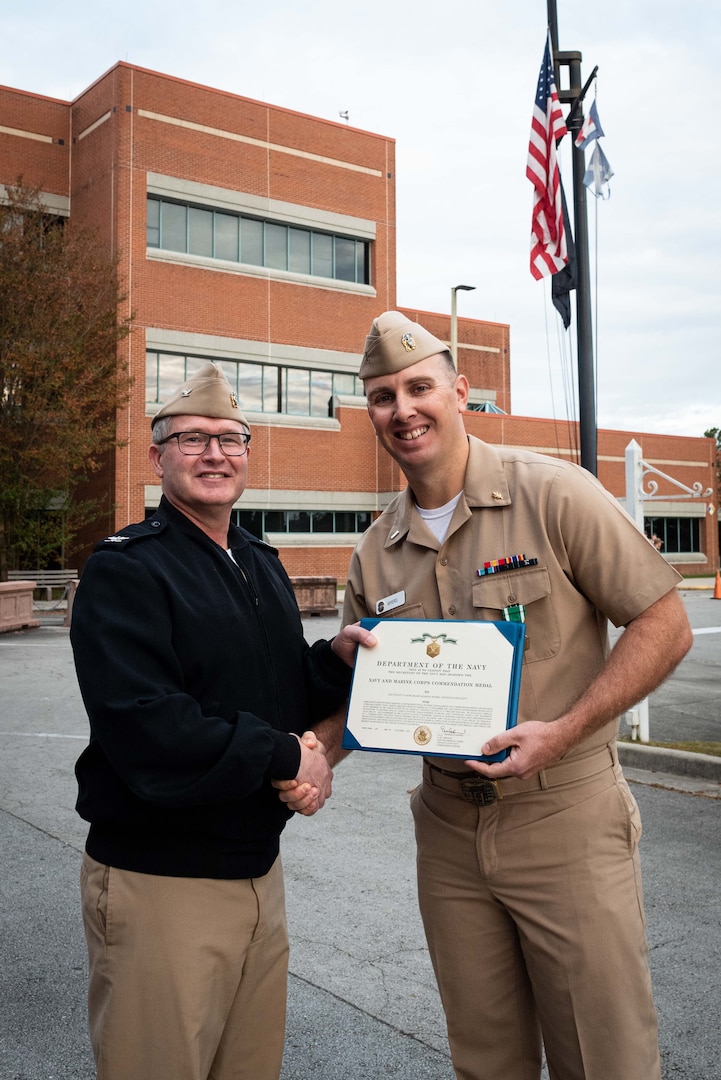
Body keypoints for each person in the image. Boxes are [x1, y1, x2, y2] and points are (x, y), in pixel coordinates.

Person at [333, 311, 693, 1080]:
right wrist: (312, 751)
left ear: (460, 392)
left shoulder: (552, 494)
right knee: (484, 1056)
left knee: (605, 1057)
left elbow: (663, 622)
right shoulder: (375, 550)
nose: (403, 409)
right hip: (447, 828)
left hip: (563, 813)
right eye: (383, 396)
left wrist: (564, 730)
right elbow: (360, 686)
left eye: (419, 387)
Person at [70, 361, 374, 1080]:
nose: (214, 454)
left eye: (230, 439)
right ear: (157, 457)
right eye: (192, 439)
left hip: (257, 877)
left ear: (246, 452)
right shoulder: (127, 570)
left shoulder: (257, 560)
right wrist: (284, 757)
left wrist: (330, 660)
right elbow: (147, 725)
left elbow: (273, 687)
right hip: (162, 881)